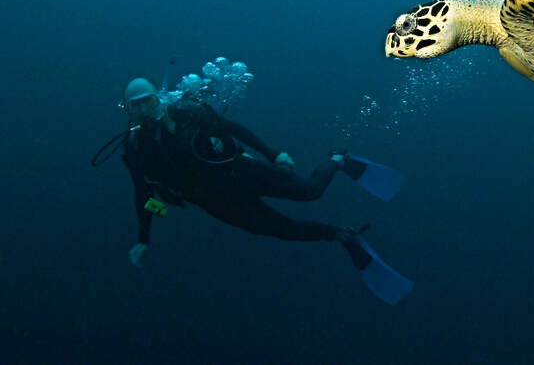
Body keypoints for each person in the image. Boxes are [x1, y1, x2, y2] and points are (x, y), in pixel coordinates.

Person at [116, 77, 413, 304]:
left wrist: (272, 154)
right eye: (135, 104)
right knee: (283, 229)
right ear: (126, 108)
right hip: (216, 202)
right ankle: (342, 236)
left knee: (310, 191)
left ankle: (339, 161)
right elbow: (140, 192)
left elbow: (235, 129)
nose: (143, 108)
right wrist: (143, 239)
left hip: (241, 173)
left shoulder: (184, 114)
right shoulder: (134, 149)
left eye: (148, 100)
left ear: (157, 98)